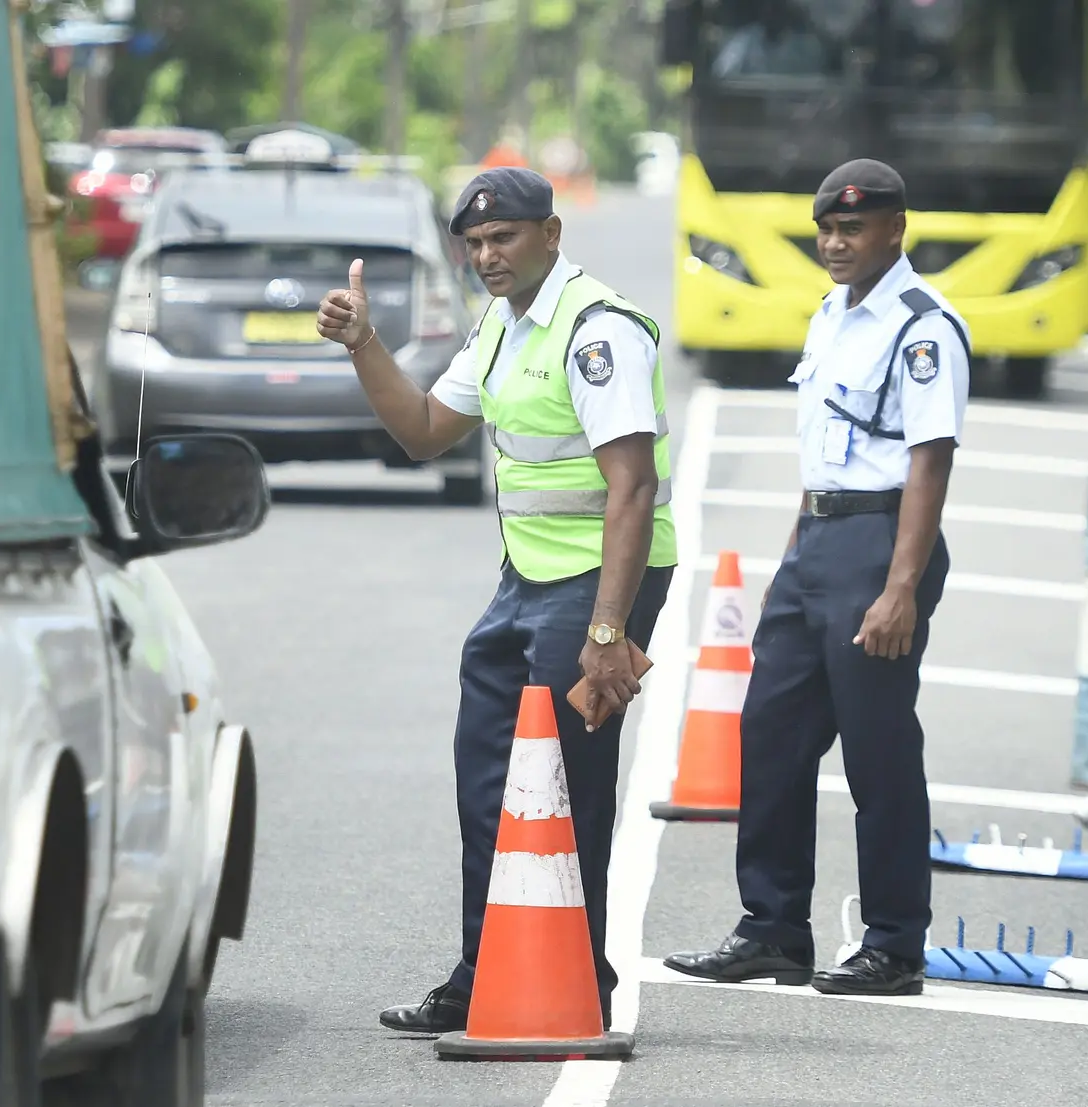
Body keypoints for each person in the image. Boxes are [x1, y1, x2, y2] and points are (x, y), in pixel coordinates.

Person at [315, 166, 678, 1031]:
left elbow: (629, 487)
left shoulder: (596, 332)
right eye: (475, 242)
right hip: (526, 581)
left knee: (567, 785)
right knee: (488, 776)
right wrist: (366, 343)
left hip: (598, 583)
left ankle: (573, 981)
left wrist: (607, 628)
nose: (487, 254)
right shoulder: (502, 328)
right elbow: (423, 433)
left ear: (551, 234)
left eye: (504, 237)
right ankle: (484, 972)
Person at [662, 158, 968, 996]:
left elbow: (928, 461)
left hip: (881, 543)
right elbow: (824, 447)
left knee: (878, 751)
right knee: (769, 735)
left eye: (852, 229)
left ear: (895, 230)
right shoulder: (831, 313)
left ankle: (895, 943)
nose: (835, 243)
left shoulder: (924, 326)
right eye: (826, 230)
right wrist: (790, 556)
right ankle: (772, 928)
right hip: (820, 543)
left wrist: (900, 586)